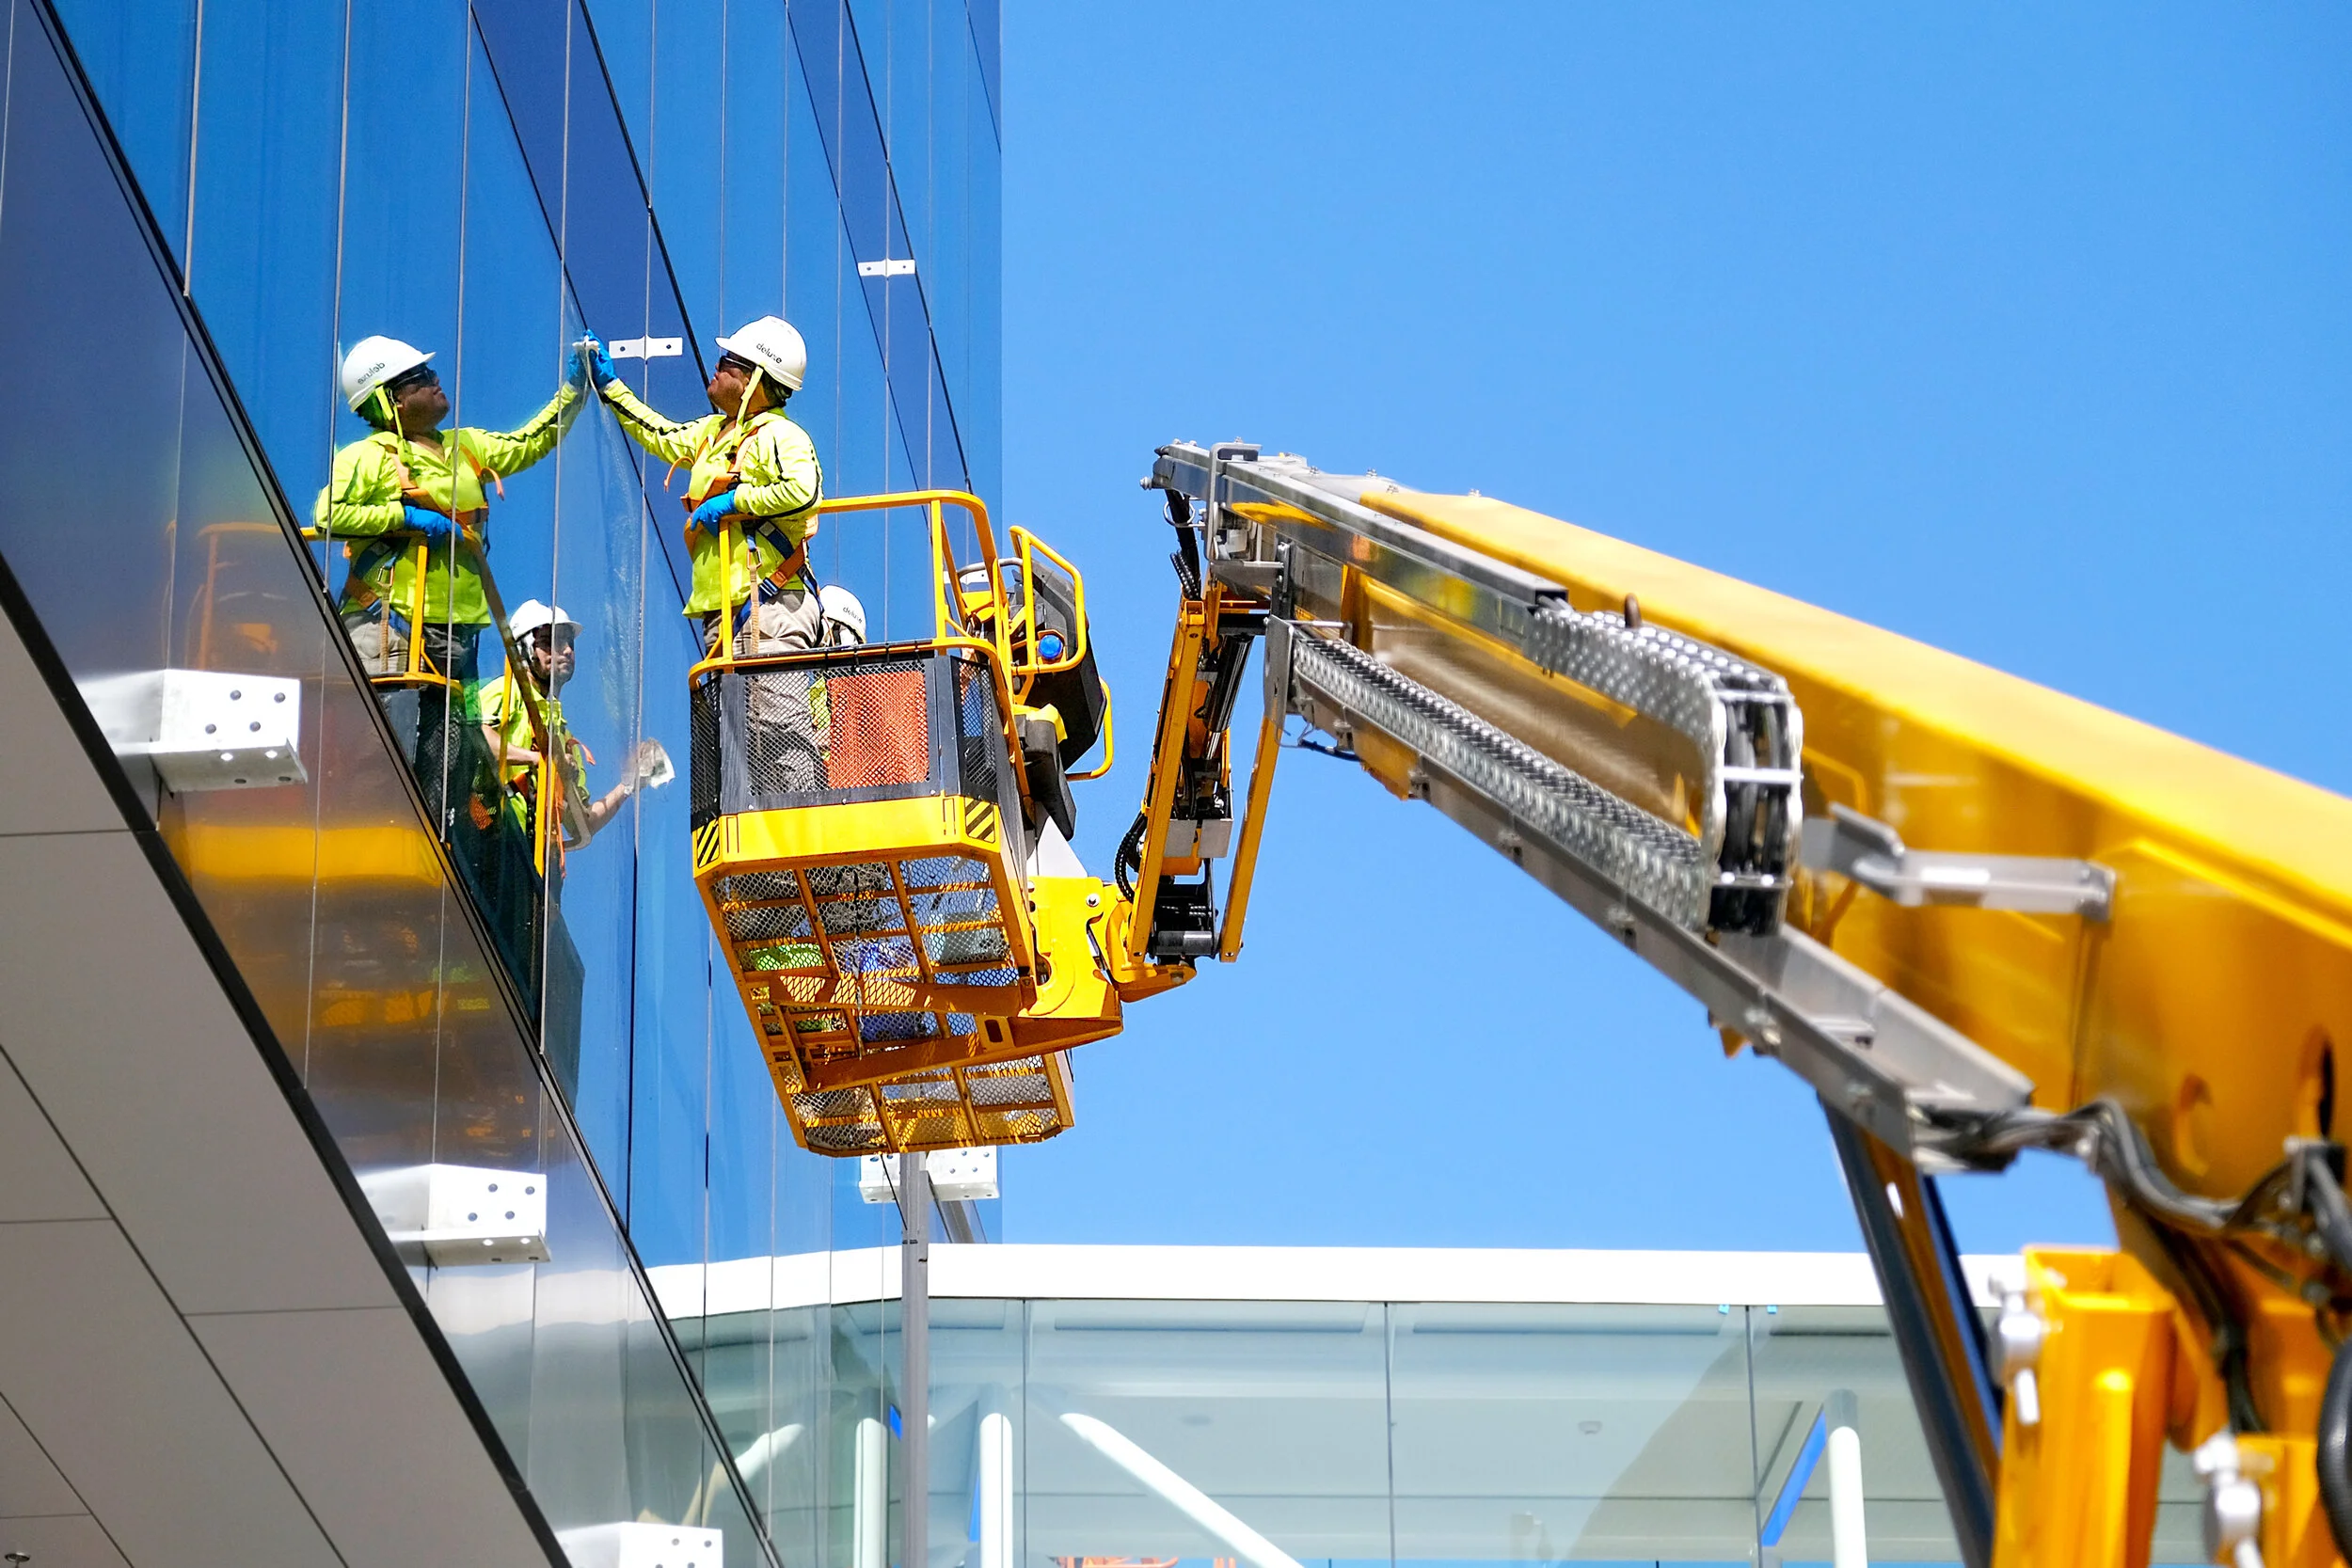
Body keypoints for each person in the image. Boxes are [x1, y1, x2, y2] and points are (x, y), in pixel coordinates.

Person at [579, 315, 827, 788]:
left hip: (770, 608)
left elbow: (804, 489)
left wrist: (735, 502)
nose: (715, 369)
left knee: (779, 731)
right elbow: (661, 435)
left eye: (728, 362)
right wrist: (611, 388)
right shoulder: (715, 434)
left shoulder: (781, 435)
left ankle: (801, 823)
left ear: (755, 378)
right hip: (727, 617)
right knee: (742, 744)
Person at [315, 335, 586, 721]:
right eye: (418, 377)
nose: (434, 379)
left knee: (449, 751)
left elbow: (532, 440)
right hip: (392, 623)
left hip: (459, 629)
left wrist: (576, 389)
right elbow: (329, 515)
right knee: (395, 736)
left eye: (429, 371)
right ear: (392, 400)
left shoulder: (466, 447)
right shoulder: (370, 456)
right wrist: (404, 517)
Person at [479, 599, 662, 854]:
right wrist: (539, 759)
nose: (566, 650)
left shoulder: (566, 741)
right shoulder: (505, 692)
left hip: (529, 860)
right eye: (552, 642)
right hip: (488, 837)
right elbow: (477, 738)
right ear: (524, 649)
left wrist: (629, 784)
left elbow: (582, 823)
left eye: (569, 642)